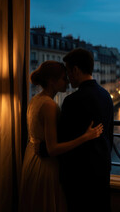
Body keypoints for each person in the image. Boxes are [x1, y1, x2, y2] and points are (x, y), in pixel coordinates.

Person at [19, 61, 103, 212]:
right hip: (46, 166)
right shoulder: (49, 105)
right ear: (52, 81)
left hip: (31, 159)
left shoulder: (35, 100)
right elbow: (52, 149)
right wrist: (86, 136)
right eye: (64, 78)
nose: (68, 81)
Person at [58, 48, 114, 212]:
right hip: (102, 169)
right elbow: (109, 133)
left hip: (79, 176)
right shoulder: (106, 95)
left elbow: (63, 140)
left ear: (75, 70)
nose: (67, 77)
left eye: (68, 71)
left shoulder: (72, 101)